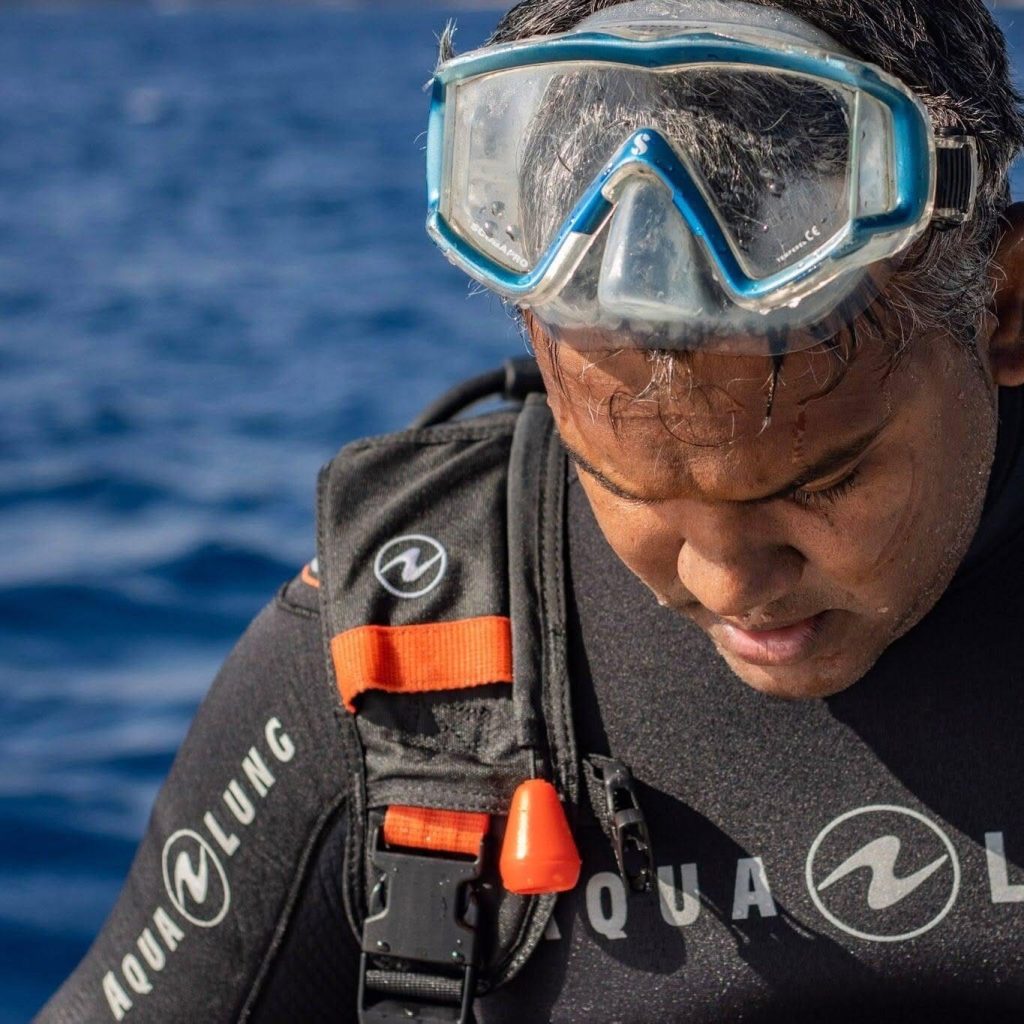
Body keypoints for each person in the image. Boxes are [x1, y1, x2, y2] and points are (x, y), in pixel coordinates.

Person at [35, 0, 1024, 1021]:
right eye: (630, 487)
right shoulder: (405, 659)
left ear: (1004, 306)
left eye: (819, 484)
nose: (727, 579)